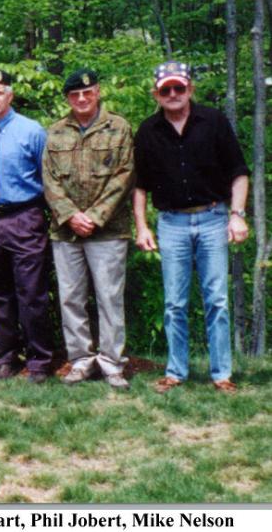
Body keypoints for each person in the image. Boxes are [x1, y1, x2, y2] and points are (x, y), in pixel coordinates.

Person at [133, 60, 250, 394]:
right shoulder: (147, 131)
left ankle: (221, 374)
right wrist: (142, 227)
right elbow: (139, 185)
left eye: (178, 88)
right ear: (157, 94)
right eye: (166, 89)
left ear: (190, 89)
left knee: (217, 300)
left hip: (213, 218)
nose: (173, 94)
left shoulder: (213, 121)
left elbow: (239, 172)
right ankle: (176, 372)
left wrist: (237, 214)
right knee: (174, 303)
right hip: (171, 223)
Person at [42, 69, 135, 389]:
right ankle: (80, 359)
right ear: (68, 98)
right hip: (66, 231)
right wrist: (70, 215)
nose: (81, 99)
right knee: (71, 297)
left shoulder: (118, 127)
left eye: (87, 92)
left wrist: (94, 216)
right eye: (74, 95)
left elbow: (124, 175)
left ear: (98, 92)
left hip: (108, 230)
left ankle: (112, 362)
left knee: (109, 297)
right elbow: (49, 179)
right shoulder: (55, 132)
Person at [0, 70, 54, 383]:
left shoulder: (32, 131)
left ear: (10, 95)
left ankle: (40, 361)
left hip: (24, 216)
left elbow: (49, 180)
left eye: (0, 92)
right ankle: (7, 358)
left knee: (31, 292)